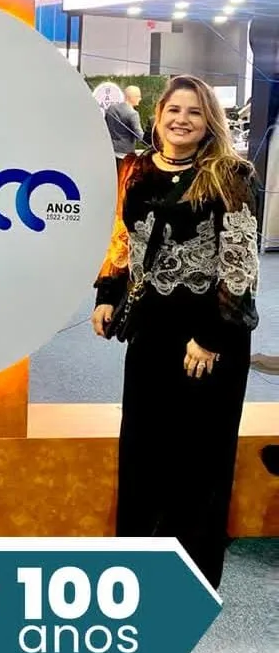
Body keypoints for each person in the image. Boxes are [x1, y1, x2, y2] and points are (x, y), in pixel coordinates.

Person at [91, 74, 260, 590]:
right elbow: (124, 237)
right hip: (151, 331)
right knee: (143, 450)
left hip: (208, 338)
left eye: (194, 111)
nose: (182, 120)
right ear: (157, 115)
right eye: (174, 110)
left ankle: (190, 578)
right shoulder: (136, 169)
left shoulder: (229, 174)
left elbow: (240, 262)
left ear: (209, 121)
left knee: (198, 458)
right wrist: (107, 293)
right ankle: (138, 570)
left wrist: (211, 336)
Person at [105, 85, 143, 171]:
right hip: (125, 156)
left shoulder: (111, 108)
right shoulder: (133, 114)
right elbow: (140, 136)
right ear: (132, 97)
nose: (140, 99)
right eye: (138, 96)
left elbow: (105, 129)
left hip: (111, 153)